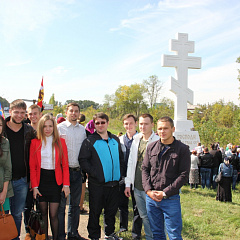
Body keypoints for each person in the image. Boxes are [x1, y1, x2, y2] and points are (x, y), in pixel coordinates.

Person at [142, 116, 191, 239]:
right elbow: (145, 169)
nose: (162, 131)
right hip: (152, 199)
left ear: (173, 129)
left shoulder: (182, 149)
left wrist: (164, 193)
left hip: (170, 199)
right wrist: (148, 191)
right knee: (157, 233)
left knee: (174, 235)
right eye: (159, 129)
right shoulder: (151, 147)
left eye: (165, 128)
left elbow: (184, 175)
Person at [79, 112, 124, 240]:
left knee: (111, 212)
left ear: (107, 123)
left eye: (102, 122)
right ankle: (94, 236)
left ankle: (109, 233)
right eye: (97, 123)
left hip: (114, 184)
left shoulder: (115, 139)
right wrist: (95, 173)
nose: (100, 125)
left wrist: (120, 174)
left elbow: (121, 159)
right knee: (95, 212)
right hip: (97, 185)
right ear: (94, 125)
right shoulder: (89, 141)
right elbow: (83, 160)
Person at [30, 113, 70, 240]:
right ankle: (45, 238)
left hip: (55, 181)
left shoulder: (61, 142)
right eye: (45, 126)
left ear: (54, 127)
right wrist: (35, 186)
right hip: (41, 180)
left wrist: (66, 184)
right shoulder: (35, 142)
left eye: (50, 126)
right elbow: (33, 167)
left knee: (54, 215)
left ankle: (56, 238)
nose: (47, 129)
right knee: (42, 214)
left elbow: (65, 165)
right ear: (41, 128)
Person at [125, 113, 159, 240]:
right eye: (141, 124)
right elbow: (131, 162)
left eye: (146, 124)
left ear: (152, 125)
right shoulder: (136, 139)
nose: (143, 126)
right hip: (137, 186)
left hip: (152, 187)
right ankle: (150, 237)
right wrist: (128, 184)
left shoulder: (158, 141)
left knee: (154, 216)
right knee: (143, 215)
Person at [5, 99, 36, 240]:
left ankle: (14, 237)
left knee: (17, 213)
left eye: (22, 113)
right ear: (10, 111)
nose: (19, 115)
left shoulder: (29, 130)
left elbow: (36, 154)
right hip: (3, 180)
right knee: (3, 213)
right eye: (16, 112)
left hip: (22, 179)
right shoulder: (2, 128)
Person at [57, 103, 87, 240]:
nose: (74, 113)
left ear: (79, 113)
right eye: (71, 111)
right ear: (66, 112)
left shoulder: (82, 130)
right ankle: (61, 235)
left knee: (75, 206)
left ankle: (73, 233)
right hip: (63, 172)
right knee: (61, 206)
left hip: (77, 171)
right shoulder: (59, 129)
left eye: (76, 111)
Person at [118, 114, 142, 239]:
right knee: (122, 204)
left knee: (137, 206)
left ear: (136, 123)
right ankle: (123, 227)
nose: (128, 126)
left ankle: (136, 232)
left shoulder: (141, 139)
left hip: (137, 176)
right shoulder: (120, 140)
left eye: (131, 123)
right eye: (126, 124)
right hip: (123, 176)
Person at [24, 104, 42, 240]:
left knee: (42, 207)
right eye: (30, 114)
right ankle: (28, 231)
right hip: (28, 174)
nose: (33, 116)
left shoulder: (46, 130)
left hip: (44, 174)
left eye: (35, 113)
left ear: (40, 114)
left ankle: (40, 231)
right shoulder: (25, 131)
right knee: (28, 206)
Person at [0, 115, 14, 213]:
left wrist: (4, 192)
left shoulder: (5, 142)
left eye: (0, 125)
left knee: (3, 223)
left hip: (2, 189)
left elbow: (8, 169)